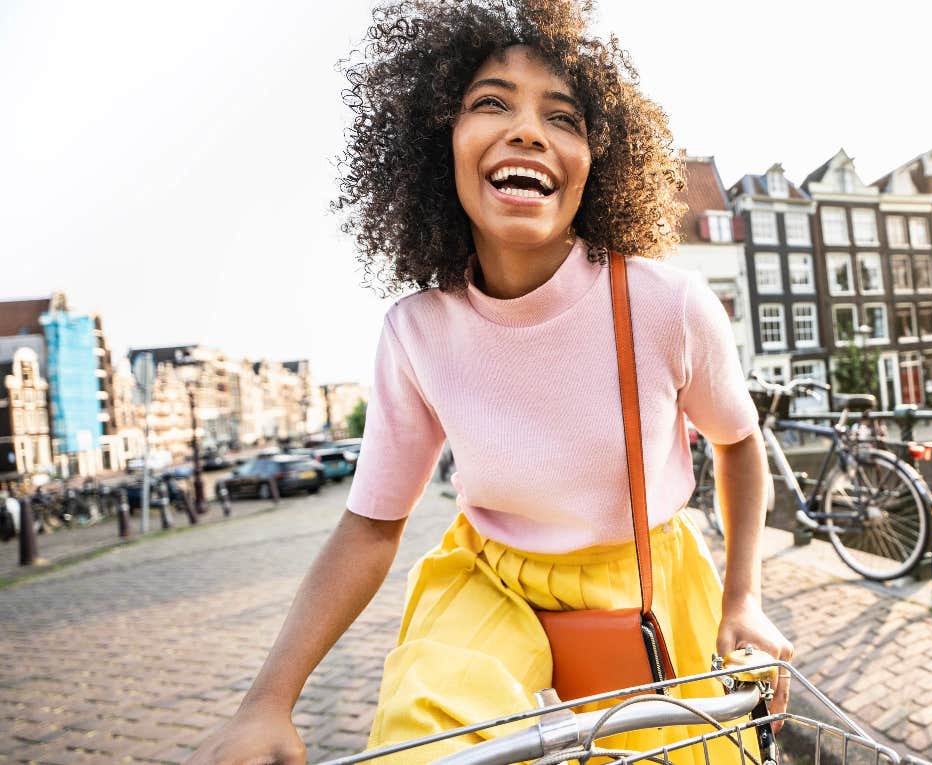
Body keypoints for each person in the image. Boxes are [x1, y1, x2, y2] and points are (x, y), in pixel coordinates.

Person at [188, 2, 791, 763]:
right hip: (489, 576)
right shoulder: (416, 333)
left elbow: (739, 443)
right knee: (426, 739)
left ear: (597, 161)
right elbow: (372, 525)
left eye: (562, 116)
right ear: (437, 143)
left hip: (643, 576)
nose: (528, 129)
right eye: (490, 102)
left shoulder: (667, 307)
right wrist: (266, 702)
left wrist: (744, 599)